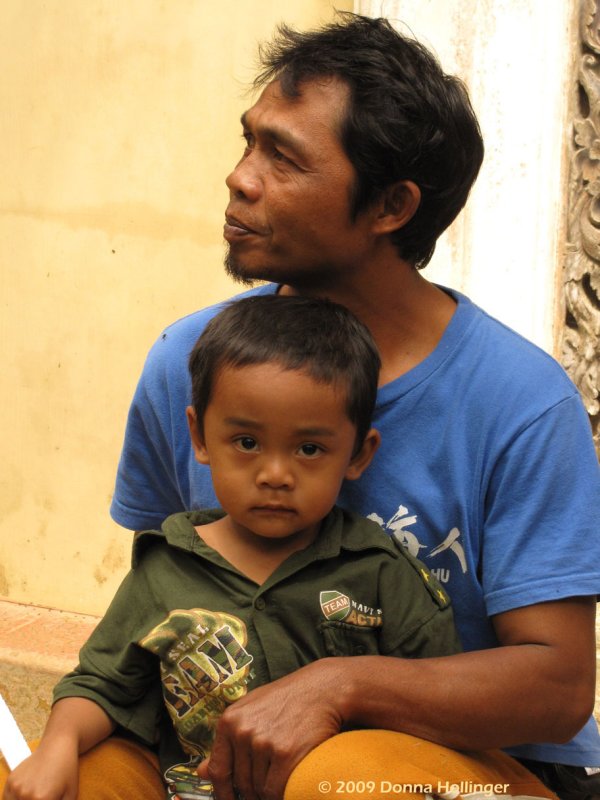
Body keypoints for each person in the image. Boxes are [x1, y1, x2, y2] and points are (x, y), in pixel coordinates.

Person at [70, 10, 600, 800]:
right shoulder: (187, 365)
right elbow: (162, 601)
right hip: (220, 764)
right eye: (250, 140)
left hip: (473, 773)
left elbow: (557, 691)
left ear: (390, 207)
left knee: (337, 779)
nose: (241, 176)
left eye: (283, 157)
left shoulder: (517, 403)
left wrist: (338, 686)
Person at [2, 295, 469, 800]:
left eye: (309, 449)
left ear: (359, 453)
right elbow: (101, 686)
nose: (274, 475)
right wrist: (58, 746)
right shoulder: (167, 568)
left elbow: (436, 701)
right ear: (200, 436)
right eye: (246, 442)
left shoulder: (375, 569)